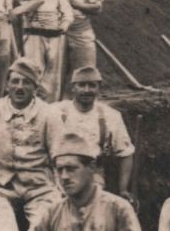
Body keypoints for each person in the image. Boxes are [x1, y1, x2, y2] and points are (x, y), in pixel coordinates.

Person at [0, 59, 61, 231]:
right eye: (15, 81)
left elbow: (59, 156)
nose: (19, 87)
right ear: (7, 85)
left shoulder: (49, 113)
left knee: (43, 230)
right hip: (2, 188)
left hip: (40, 188)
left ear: (35, 87)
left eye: (26, 82)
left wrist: (60, 189)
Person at [46, 66, 136, 198]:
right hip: (57, 172)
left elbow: (126, 153)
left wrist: (123, 190)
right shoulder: (55, 111)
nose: (87, 90)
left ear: (99, 89)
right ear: (73, 88)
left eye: (92, 85)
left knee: (91, 203)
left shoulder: (111, 116)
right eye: (81, 85)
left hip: (92, 174)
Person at [15, 0, 75, 103]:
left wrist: (64, 25)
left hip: (55, 38)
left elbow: (68, 14)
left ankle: (50, 114)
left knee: (53, 81)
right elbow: (19, 4)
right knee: (32, 74)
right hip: (34, 36)